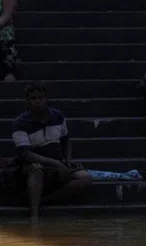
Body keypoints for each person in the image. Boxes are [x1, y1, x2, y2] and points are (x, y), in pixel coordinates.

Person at [11, 83, 93, 217]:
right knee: (36, 168)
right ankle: (34, 213)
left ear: (46, 99)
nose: (37, 101)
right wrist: (55, 163)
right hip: (30, 165)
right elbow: (26, 154)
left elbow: (66, 140)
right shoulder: (20, 123)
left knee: (85, 178)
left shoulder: (57, 116)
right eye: (33, 98)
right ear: (27, 101)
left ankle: (45, 200)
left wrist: (67, 161)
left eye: (40, 97)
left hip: (57, 162)